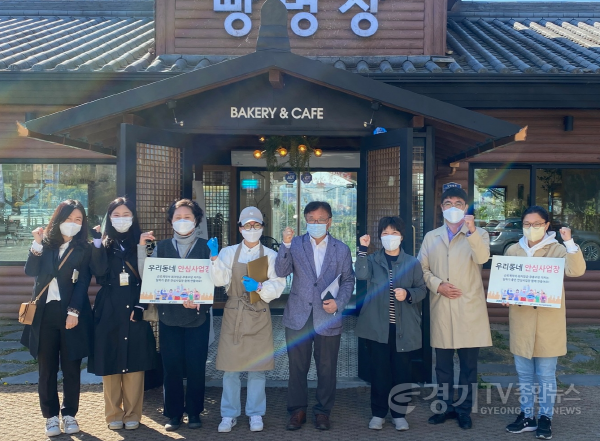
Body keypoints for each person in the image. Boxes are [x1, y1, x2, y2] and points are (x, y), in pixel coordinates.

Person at [503, 206, 585, 440]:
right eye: (527, 224)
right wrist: (505, 296)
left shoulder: (558, 249)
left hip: (549, 322)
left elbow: (576, 270)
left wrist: (570, 243)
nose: (532, 228)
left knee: (547, 375)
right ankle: (527, 415)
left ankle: (545, 417)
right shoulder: (513, 250)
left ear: (547, 225)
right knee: (524, 374)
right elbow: (506, 281)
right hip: (521, 320)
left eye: (537, 224)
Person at [275, 201, 355, 431]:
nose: (316, 223)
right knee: (296, 367)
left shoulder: (341, 249)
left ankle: (323, 411)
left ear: (330, 221)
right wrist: (285, 245)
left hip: (327, 315)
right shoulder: (296, 244)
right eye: (311, 220)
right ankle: (297, 410)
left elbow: (348, 280)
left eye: (321, 220)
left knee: (327, 368)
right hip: (298, 314)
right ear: (305, 221)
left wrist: (339, 303)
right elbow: (281, 271)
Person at [417, 187, 492, 430]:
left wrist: (471, 232)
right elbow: (422, 269)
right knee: (443, 366)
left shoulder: (479, 233)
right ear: (441, 208)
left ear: (466, 208)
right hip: (442, 305)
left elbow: (482, 259)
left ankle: (464, 410)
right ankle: (445, 407)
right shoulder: (431, 236)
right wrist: (438, 286)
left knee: (469, 367)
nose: (453, 207)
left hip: (469, 308)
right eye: (448, 203)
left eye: (458, 203)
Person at [208, 206, 286, 433]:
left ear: (262, 227)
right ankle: (228, 414)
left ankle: (255, 414)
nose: (252, 229)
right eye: (247, 225)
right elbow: (219, 280)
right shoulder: (228, 252)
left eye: (257, 225)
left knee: (257, 369)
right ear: (240, 228)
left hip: (259, 312)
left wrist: (260, 287)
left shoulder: (271, 256)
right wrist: (214, 257)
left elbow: (278, 287)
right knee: (230, 369)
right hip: (234, 312)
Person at [137, 199, 211, 432]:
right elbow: (148, 276)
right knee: (172, 367)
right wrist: (141, 249)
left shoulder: (207, 247)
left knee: (197, 366)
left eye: (187, 217)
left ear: (196, 220)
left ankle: (195, 413)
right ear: (171, 221)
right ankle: (174, 414)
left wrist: (200, 304)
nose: (182, 221)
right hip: (169, 317)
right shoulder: (161, 247)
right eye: (177, 217)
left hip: (197, 317)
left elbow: (215, 282)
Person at [20, 200, 93, 437]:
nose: (73, 224)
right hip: (44, 314)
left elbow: (82, 283)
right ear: (58, 219)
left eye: (78, 220)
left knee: (71, 367)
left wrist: (74, 311)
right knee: (47, 369)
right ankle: (50, 417)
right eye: (68, 218)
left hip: (70, 313)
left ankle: (70, 414)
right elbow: (30, 271)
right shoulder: (46, 245)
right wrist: (37, 243)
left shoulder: (84, 248)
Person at [88, 197, 156, 430]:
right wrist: (97, 243)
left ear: (134, 217)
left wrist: (141, 306)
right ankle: (113, 414)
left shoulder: (147, 241)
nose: (121, 218)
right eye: (116, 214)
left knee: (136, 360)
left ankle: (133, 413)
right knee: (110, 357)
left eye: (126, 214)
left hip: (136, 304)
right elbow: (99, 273)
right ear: (109, 218)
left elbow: (151, 275)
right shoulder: (102, 244)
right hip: (109, 306)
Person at [355, 216, 427, 431]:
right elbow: (360, 274)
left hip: (403, 329)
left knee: (401, 372)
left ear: (402, 236)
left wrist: (408, 293)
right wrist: (362, 249)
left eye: (394, 233)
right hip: (378, 328)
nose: (390, 237)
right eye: (385, 233)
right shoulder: (373, 260)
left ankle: (399, 414)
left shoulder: (412, 262)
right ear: (380, 237)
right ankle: (378, 413)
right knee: (379, 372)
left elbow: (422, 289)